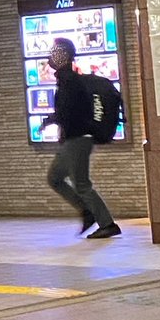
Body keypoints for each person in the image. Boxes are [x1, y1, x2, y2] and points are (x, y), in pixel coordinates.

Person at [42, 37, 121, 239]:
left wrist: (53, 119)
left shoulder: (70, 82)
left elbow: (69, 112)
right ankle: (87, 211)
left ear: (63, 55)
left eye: (54, 52)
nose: (50, 56)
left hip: (78, 139)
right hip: (72, 139)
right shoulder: (66, 80)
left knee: (81, 184)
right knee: (54, 178)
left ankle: (107, 223)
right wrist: (52, 120)